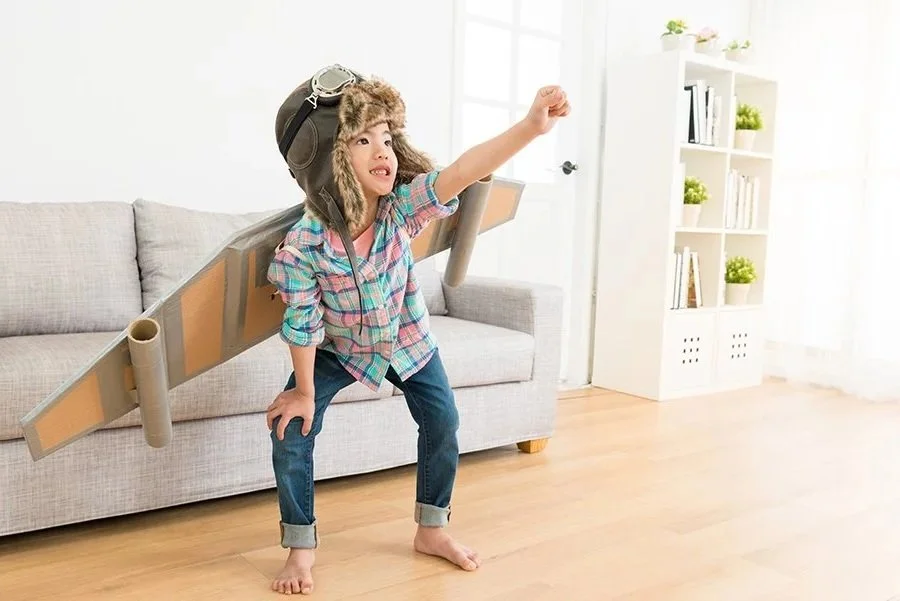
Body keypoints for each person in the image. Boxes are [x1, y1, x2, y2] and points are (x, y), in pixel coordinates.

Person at [265, 64, 570, 595]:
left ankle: (433, 529)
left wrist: (530, 127)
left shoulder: (399, 212)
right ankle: (301, 548)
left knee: (443, 418)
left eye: (386, 137)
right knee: (292, 430)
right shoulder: (302, 247)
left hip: (407, 340)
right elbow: (302, 323)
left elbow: (464, 170)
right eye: (362, 140)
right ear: (329, 161)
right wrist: (305, 392)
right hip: (342, 349)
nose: (383, 151)